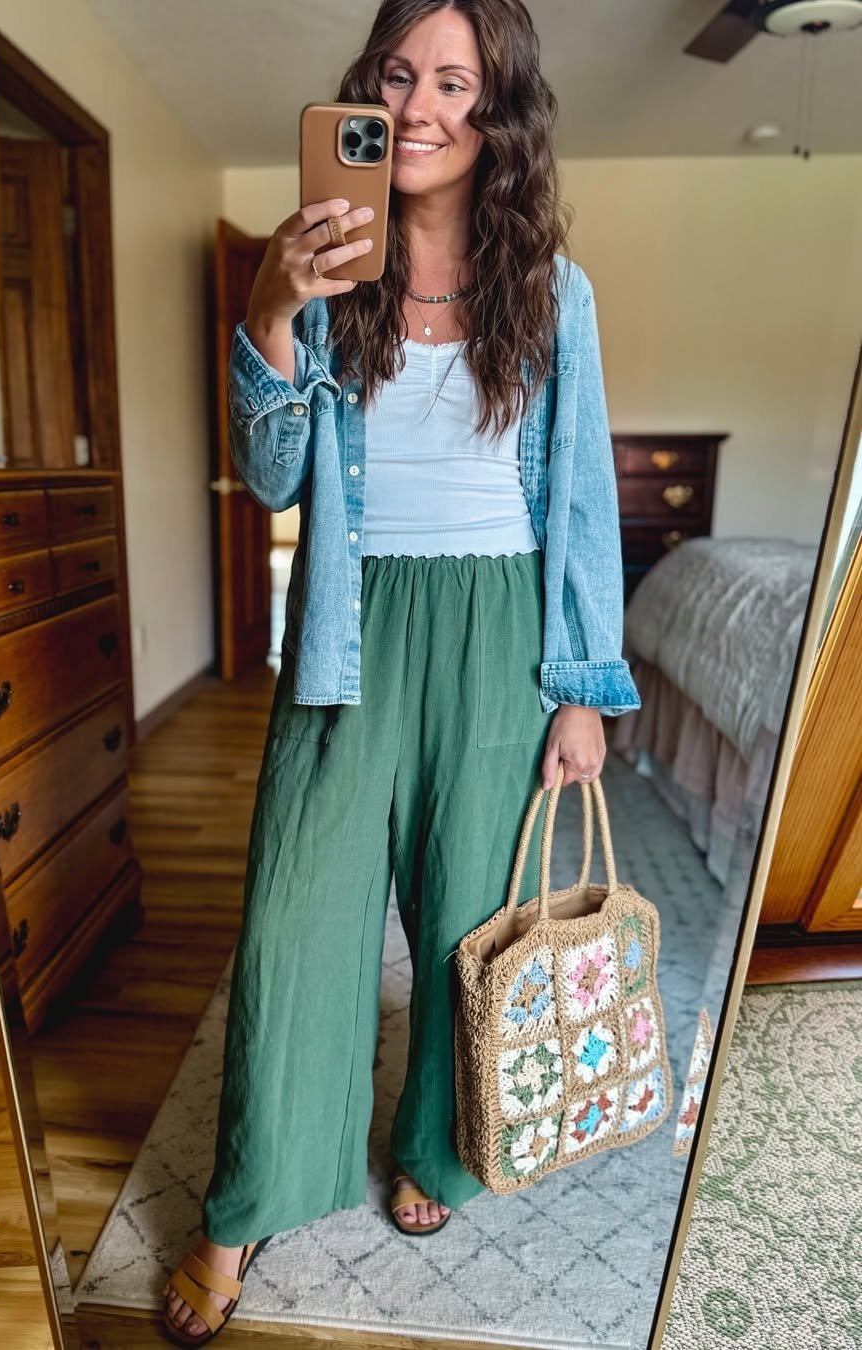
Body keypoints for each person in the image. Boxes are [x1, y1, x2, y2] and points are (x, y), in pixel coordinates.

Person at [162, 0, 640, 1342]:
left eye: (454, 81)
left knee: (461, 917)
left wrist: (581, 691)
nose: (420, 105)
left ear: (499, 117)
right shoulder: (318, 267)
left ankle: (434, 1148)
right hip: (344, 622)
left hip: (498, 629)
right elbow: (266, 479)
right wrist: (268, 306)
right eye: (398, 75)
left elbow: (585, 500)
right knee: (296, 916)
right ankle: (248, 1198)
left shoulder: (555, 293)